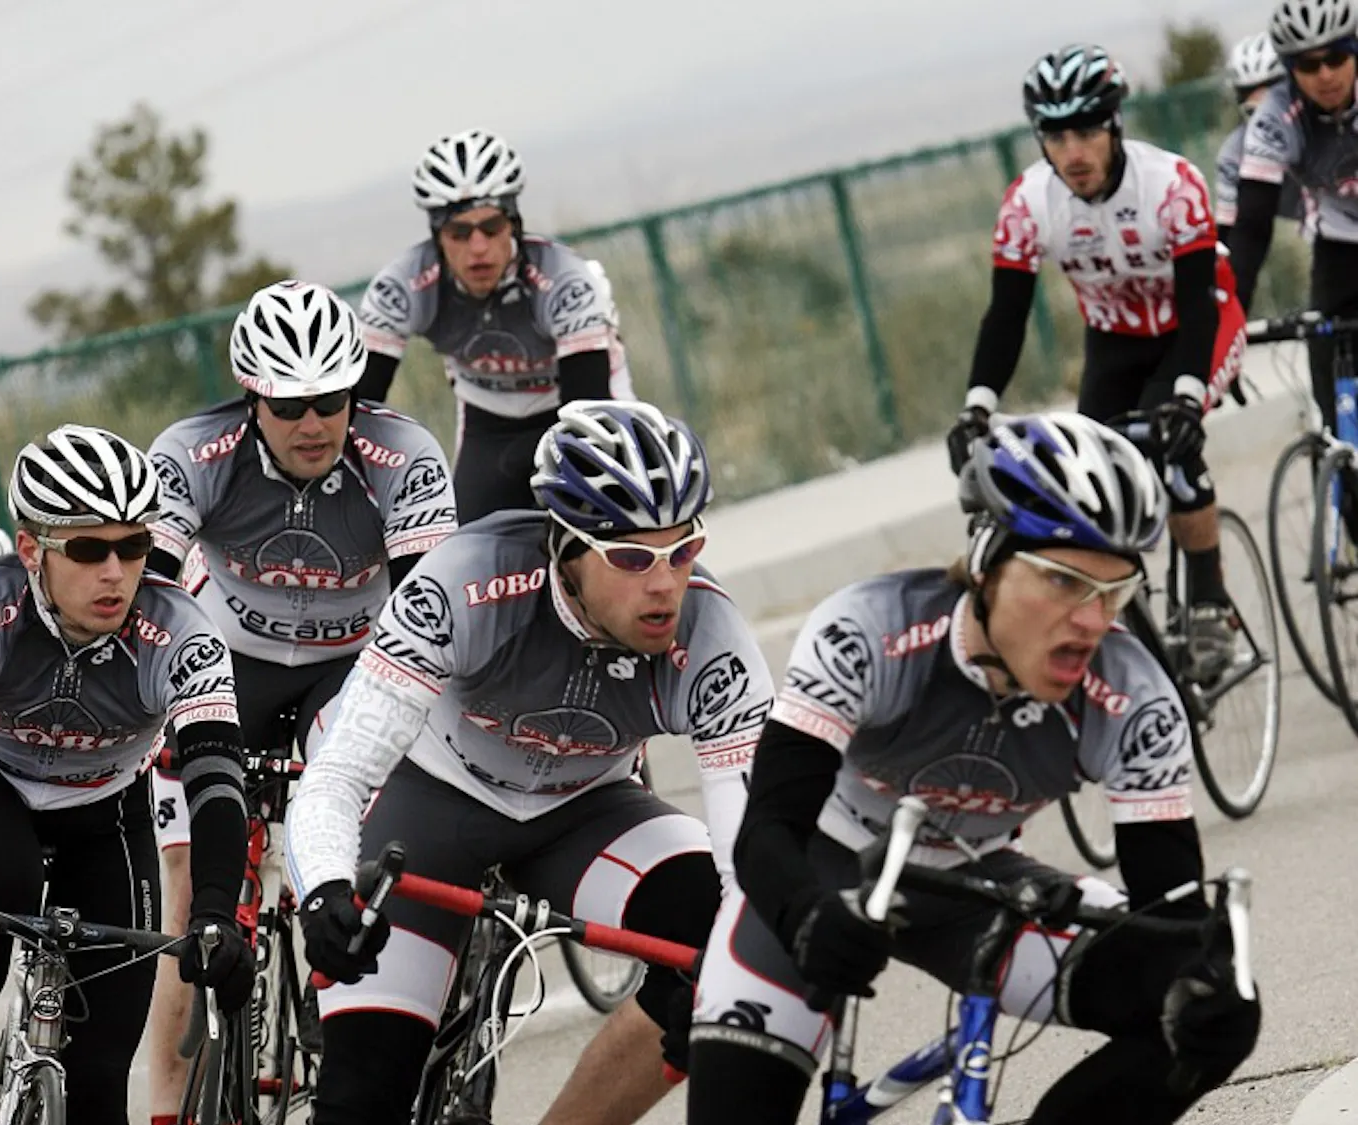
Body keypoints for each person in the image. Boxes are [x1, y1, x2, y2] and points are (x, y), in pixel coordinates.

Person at [686, 411, 1261, 1125]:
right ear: (987, 560)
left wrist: (1206, 974)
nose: (1092, 619)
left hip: (978, 882)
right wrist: (803, 914)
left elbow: (1164, 918)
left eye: (1114, 590)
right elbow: (767, 825)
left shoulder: (1133, 694)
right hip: (822, 865)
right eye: (1063, 581)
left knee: (1198, 1009)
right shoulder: (870, 630)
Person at [286, 400, 772, 1125]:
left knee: (727, 946)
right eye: (634, 557)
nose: (666, 583)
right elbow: (339, 773)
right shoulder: (465, 583)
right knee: (363, 1092)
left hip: (585, 813)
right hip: (430, 803)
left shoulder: (711, 638)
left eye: (683, 548)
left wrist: (736, 962)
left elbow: (752, 850)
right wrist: (324, 886)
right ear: (567, 550)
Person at [140, 278, 459, 1121]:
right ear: (252, 400)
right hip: (226, 661)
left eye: (332, 400)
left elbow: (433, 615)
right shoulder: (191, 451)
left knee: (353, 803)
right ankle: (169, 1105)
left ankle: (342, 983)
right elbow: (151, 599)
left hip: (348, 665)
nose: (315, 423)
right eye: (290, 407)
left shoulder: (404, 453)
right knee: (188, 884)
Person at [0, 425, 254, 1125]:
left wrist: (214, 909)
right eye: (89, 549)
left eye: (134, 546)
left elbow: (216, 780)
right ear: (31, 549)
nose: (117, 572)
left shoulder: (183, 630)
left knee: (98, 1085)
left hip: (107, 808)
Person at [947, 44, 1247, 683]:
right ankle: (1112, 617)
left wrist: (1189, 397)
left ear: (1114, 127)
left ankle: (1212, 609)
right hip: (1113, 340)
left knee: (1173, 448)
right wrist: (977, 407)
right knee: (1088, 486)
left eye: (1086, 131)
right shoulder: (1028, 203)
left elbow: (1199, 301)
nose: (1073, 151)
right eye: (1055, 136)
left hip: (1197, 326)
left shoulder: (1170, 184)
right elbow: (1006, 315)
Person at [353, 128, 633, 523]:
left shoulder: (563, 280)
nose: (478, 247)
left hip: (575, 409)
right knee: (468, 552)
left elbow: (587, 407)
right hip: (489, 425)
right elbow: (359, 409)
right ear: (438, 237)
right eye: (459, 233)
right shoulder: (405, 285)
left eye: (492, 227)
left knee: (615, 526)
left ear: (514, 225)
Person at [1227, 0, 1358, 435]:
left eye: (1336, 58)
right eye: (1307, 65)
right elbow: (1250, 227)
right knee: (1337, 413)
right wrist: (1231, 320)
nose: (1325, 75)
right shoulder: (1275, 118)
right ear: (1289, 69)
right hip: (1339, 251)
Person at [1215, 32, 1309, 242]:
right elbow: (1228, 230)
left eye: (1274, 89)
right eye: (1248, 92)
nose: (1265, 107)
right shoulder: (1232, 155)